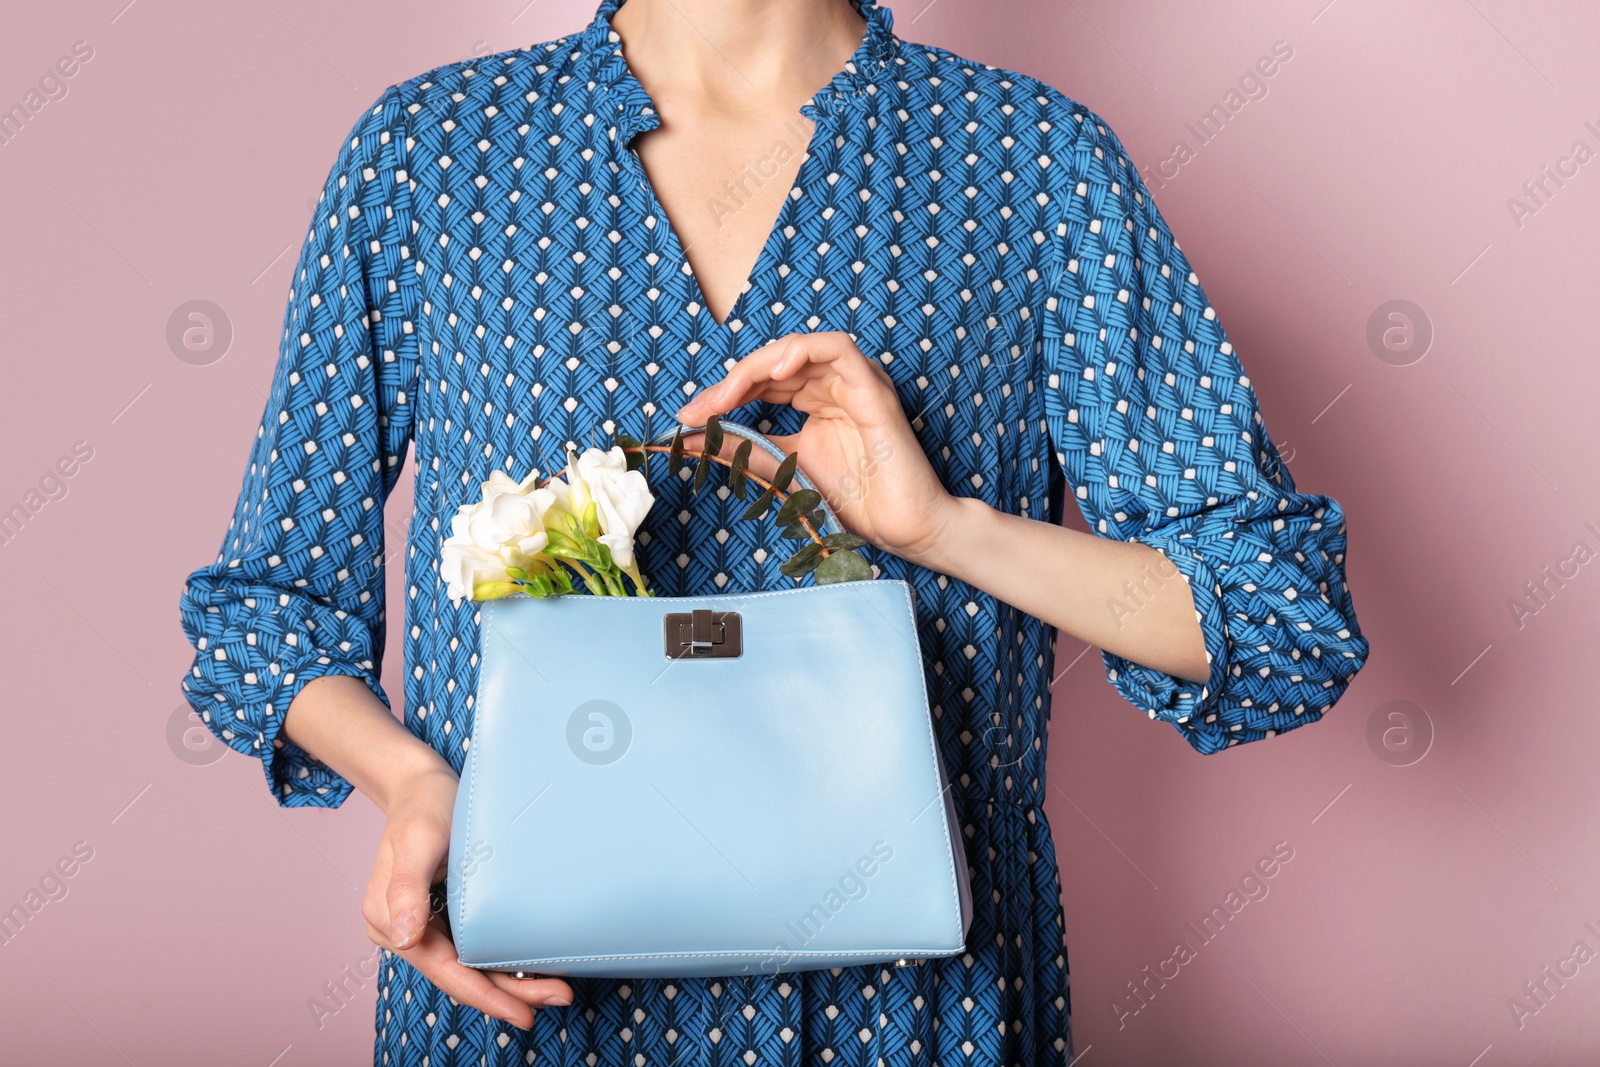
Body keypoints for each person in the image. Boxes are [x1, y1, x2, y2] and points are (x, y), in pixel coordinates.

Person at [176, 0, 1370, 1062]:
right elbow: (270, 611)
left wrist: (946, 527)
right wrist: (410, 783)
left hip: (915, 1011)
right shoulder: (429, 156)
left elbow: (1268, 617)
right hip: (526, 1003)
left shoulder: (1034, 164)